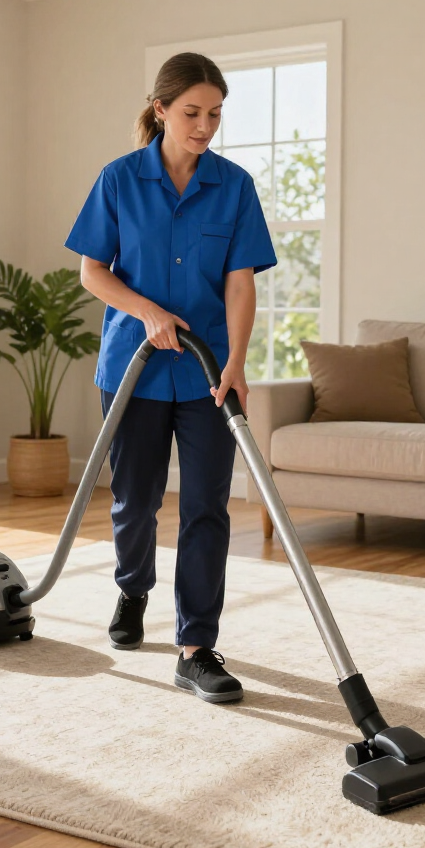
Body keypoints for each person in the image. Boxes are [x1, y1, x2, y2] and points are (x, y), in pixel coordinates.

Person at [64, 52, 276, 704]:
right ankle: (132, 588)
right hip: (135, 367)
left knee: (208, 506)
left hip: (209, 369)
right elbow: (92, 272)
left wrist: (237, 361)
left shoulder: (234, 186)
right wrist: (149, 312)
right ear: (160, 110)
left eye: (214, 114)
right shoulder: (119, 180)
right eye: (191, 113)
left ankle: (195, 646)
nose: (204, 126)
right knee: (136, 499)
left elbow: (240, 284)